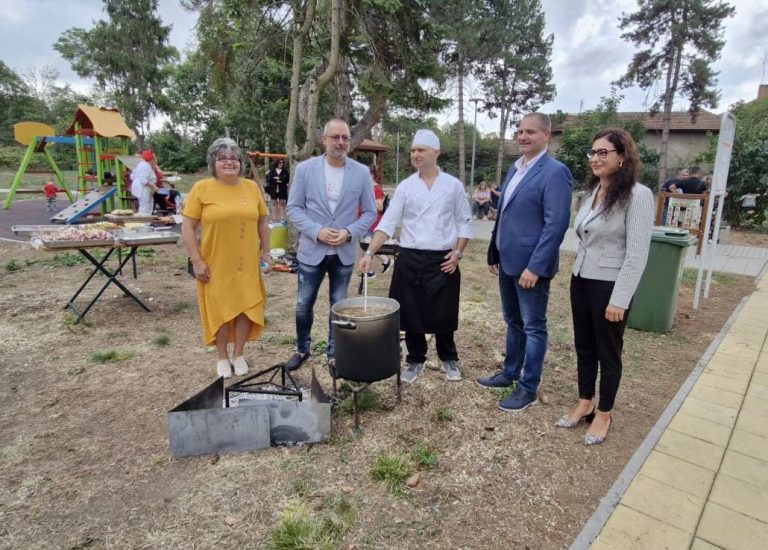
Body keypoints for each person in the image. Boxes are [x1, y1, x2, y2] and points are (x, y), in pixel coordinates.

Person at [556, 128, 654, 445]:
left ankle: (604, 412)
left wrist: (620, 299)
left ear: (622, 157)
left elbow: (637, 253)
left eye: (603, 153)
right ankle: (586, 400)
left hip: (610, 286)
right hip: (581, 279)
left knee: (608, 352)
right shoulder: (591, 193)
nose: (596, 159)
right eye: (593, 153)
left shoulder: (638, 196)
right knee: (584, 345)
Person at [360, 129, 473, 383]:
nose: (415, 155)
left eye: (421, 150)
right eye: (413, 150)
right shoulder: (406, 187)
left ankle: (448, 357)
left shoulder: (453, 186)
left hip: (443, 257)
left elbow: (465, 223)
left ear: (436, 153)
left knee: (443, 310)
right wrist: (370, 252)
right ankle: (415, 359)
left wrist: (457, 253)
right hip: (410, 256)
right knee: (410, 310)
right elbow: (387, 223)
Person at [477, 112, 573, 411]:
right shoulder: (515, 169)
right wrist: (494, 252)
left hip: (531, 268)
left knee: (533, 326)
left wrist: (535, 266)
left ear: (546, 135)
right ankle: (509, 373)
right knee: (513, 321)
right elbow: (505, 214)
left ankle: (528, 387)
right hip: (507, 262)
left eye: (530, 131)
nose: (522, 136)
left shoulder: (555, 172)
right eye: (519, 131)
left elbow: (555, 225)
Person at [284, 118, 377, 372]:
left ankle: (335, 353)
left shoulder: (360, 172)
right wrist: (317, 231)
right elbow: (293, 207)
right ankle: (302, 348)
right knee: (304, 304)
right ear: (324, 140)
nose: (340, 142)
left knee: (339, 305)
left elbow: (369, 213)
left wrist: (349, 233)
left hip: (344, 253)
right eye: (335, 137)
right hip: (311, 251)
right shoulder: (305, 170)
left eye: (345, 138)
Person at [181, 138, 272, 378]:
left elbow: (263, 222)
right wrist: (197, 261)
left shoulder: (251, 188)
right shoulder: (201, 189)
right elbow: (188, 227)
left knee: (245, 307)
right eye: (223, 158)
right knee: (220, 308)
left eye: (234, 158)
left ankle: (238, 354)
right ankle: (222, 356)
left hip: (246, 263)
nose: (229, 162)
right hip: (214, 262)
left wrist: (267, 252)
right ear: (213, 163)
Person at [362, 165, 392, 278]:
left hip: (372, 222)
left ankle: (371, 271)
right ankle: (382, 263)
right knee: (367, 246)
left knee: (368, 246)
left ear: (372, 176)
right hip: (364, 221)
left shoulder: (376, 189)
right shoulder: (367, 188)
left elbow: (379, 206)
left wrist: (365, 200)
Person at [131, 150, 158, 214]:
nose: (155, 159)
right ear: (150, 159)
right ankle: (144, 222)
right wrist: (154, 186)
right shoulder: (145, 166)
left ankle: (148, 222)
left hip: (144, 189)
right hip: (143, 189)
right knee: (144, 206)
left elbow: (132, 175)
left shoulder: (143, 164)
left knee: (148, 205)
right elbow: (143, 180)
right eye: (154, 158)